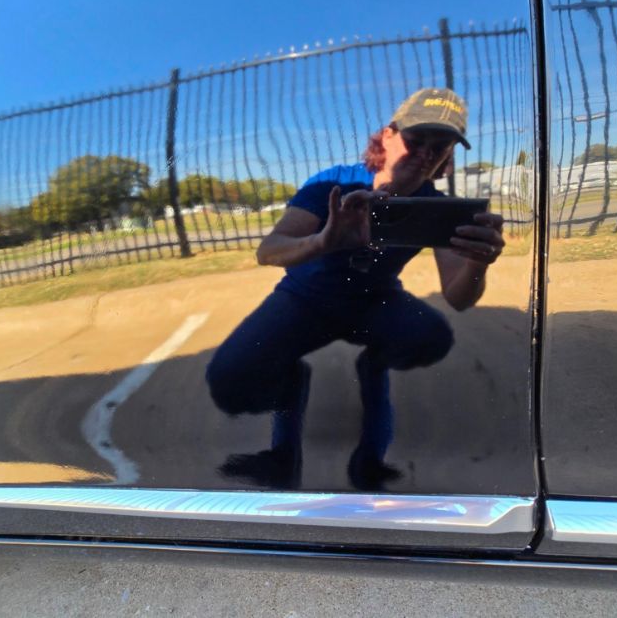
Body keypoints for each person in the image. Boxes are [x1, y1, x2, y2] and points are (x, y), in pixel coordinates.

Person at [205, 87, 505, 490]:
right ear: (387, 136)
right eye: (416, 140)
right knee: (228, 378)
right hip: (305, 299)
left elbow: (458, 297)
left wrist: (478, 264)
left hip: (373, 301)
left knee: (432, 335)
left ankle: (371, 413)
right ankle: (287, 420)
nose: (425, 155)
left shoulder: (434, 206)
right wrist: (322, 241)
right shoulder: (334, 184)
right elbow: (269, 250)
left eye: (439, 147)